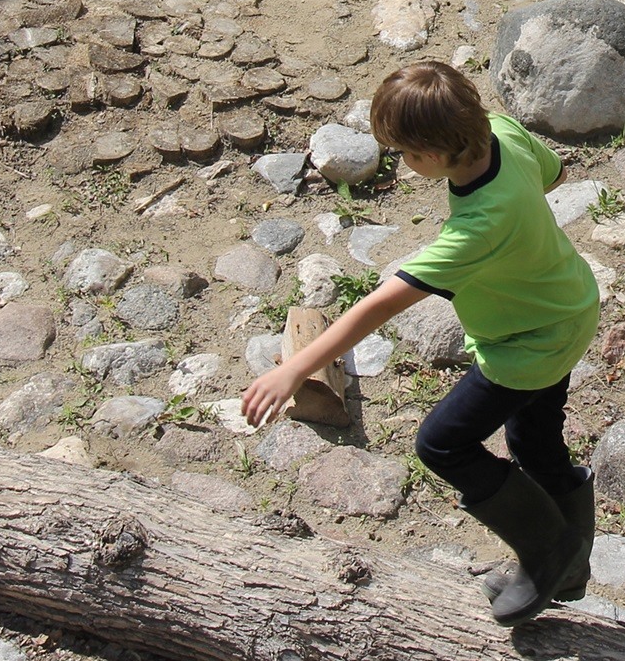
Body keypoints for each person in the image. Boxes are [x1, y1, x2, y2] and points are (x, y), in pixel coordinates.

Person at [238, 61, 601, 626]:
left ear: (431, 154)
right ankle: (571, 562)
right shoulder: (501, 130)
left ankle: (550, 551)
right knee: (534, 440)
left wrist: (296, 367)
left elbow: (379, 305)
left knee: (441, 444)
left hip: (525, 344)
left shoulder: (476, 228)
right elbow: (551, 175)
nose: (403, 165)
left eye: (406, 154)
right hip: (567, 305)